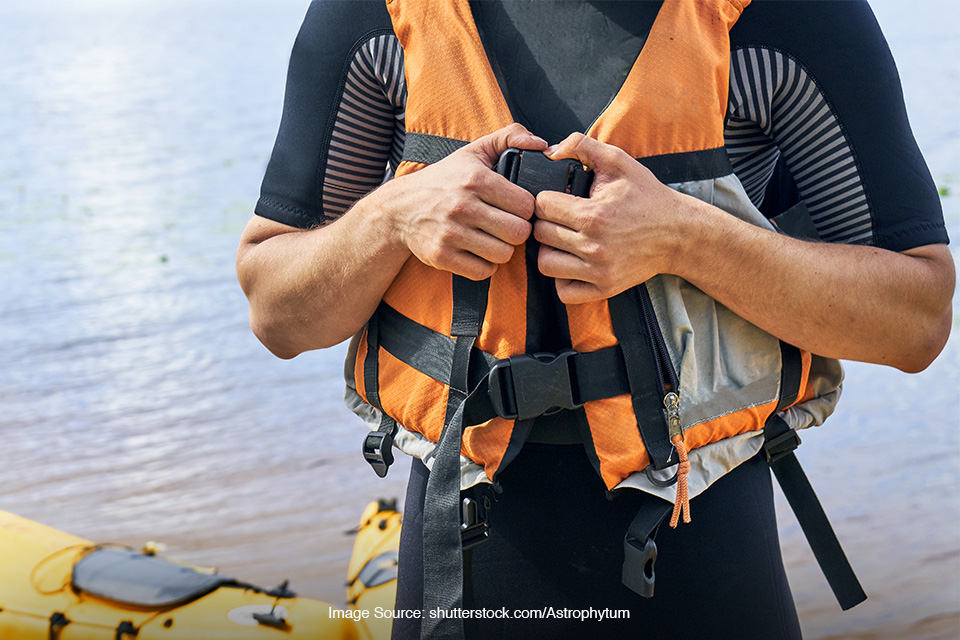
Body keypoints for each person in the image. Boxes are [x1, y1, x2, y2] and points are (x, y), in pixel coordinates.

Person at [237, 1, 954, 638]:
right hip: (462, 573)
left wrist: (685, 237)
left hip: (709, 570)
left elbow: (914, 321)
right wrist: (390, 219)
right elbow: (278, 314)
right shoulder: (374, 15)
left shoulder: (787, 17)